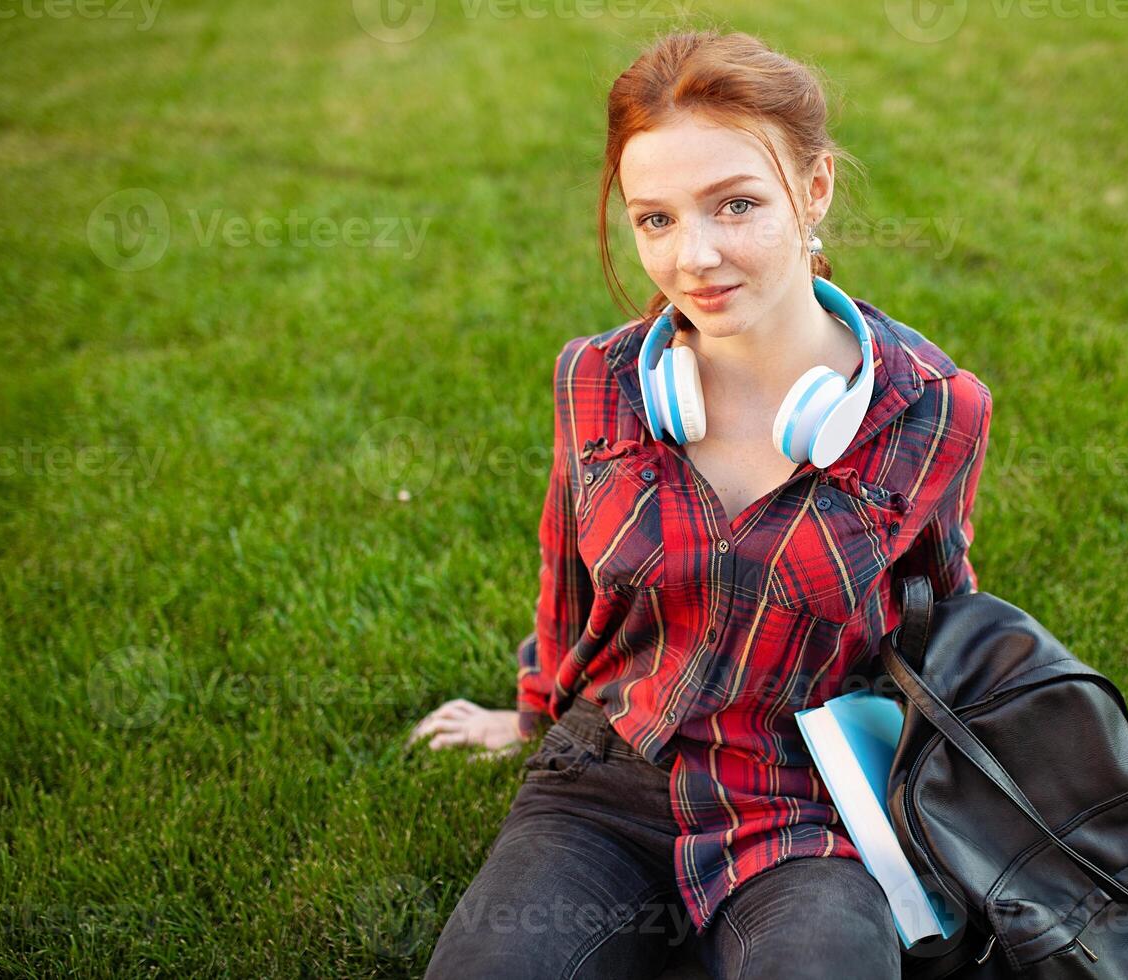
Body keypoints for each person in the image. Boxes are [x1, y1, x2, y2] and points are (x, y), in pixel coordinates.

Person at [408, 28, 993, 980]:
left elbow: (945, 611)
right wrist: (525, 714)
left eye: (737, 204)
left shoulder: (931, 410)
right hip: (605, 779)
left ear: (815, 192)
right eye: (656, 220)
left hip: (807, 806)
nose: (696, 258)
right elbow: (567, 578)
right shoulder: (597, 379)